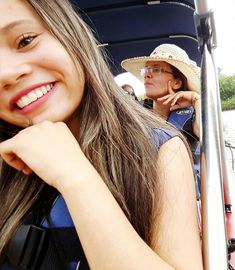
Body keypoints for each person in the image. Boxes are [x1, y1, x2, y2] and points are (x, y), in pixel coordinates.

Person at [0, 1, 203, 270]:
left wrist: (75, 176)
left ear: (70, 34)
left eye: (26, 40)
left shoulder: (162, 144)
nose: (5, 74)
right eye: (147, 70)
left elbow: (201, 140)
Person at [121, 44, 201, 199]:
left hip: (181, 196)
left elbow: (210, 136)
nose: (147, 75)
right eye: (146, 70)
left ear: (177, 83)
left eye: (156, 70)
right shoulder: (135, 115)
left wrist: (196, 99)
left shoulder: (191, 116)